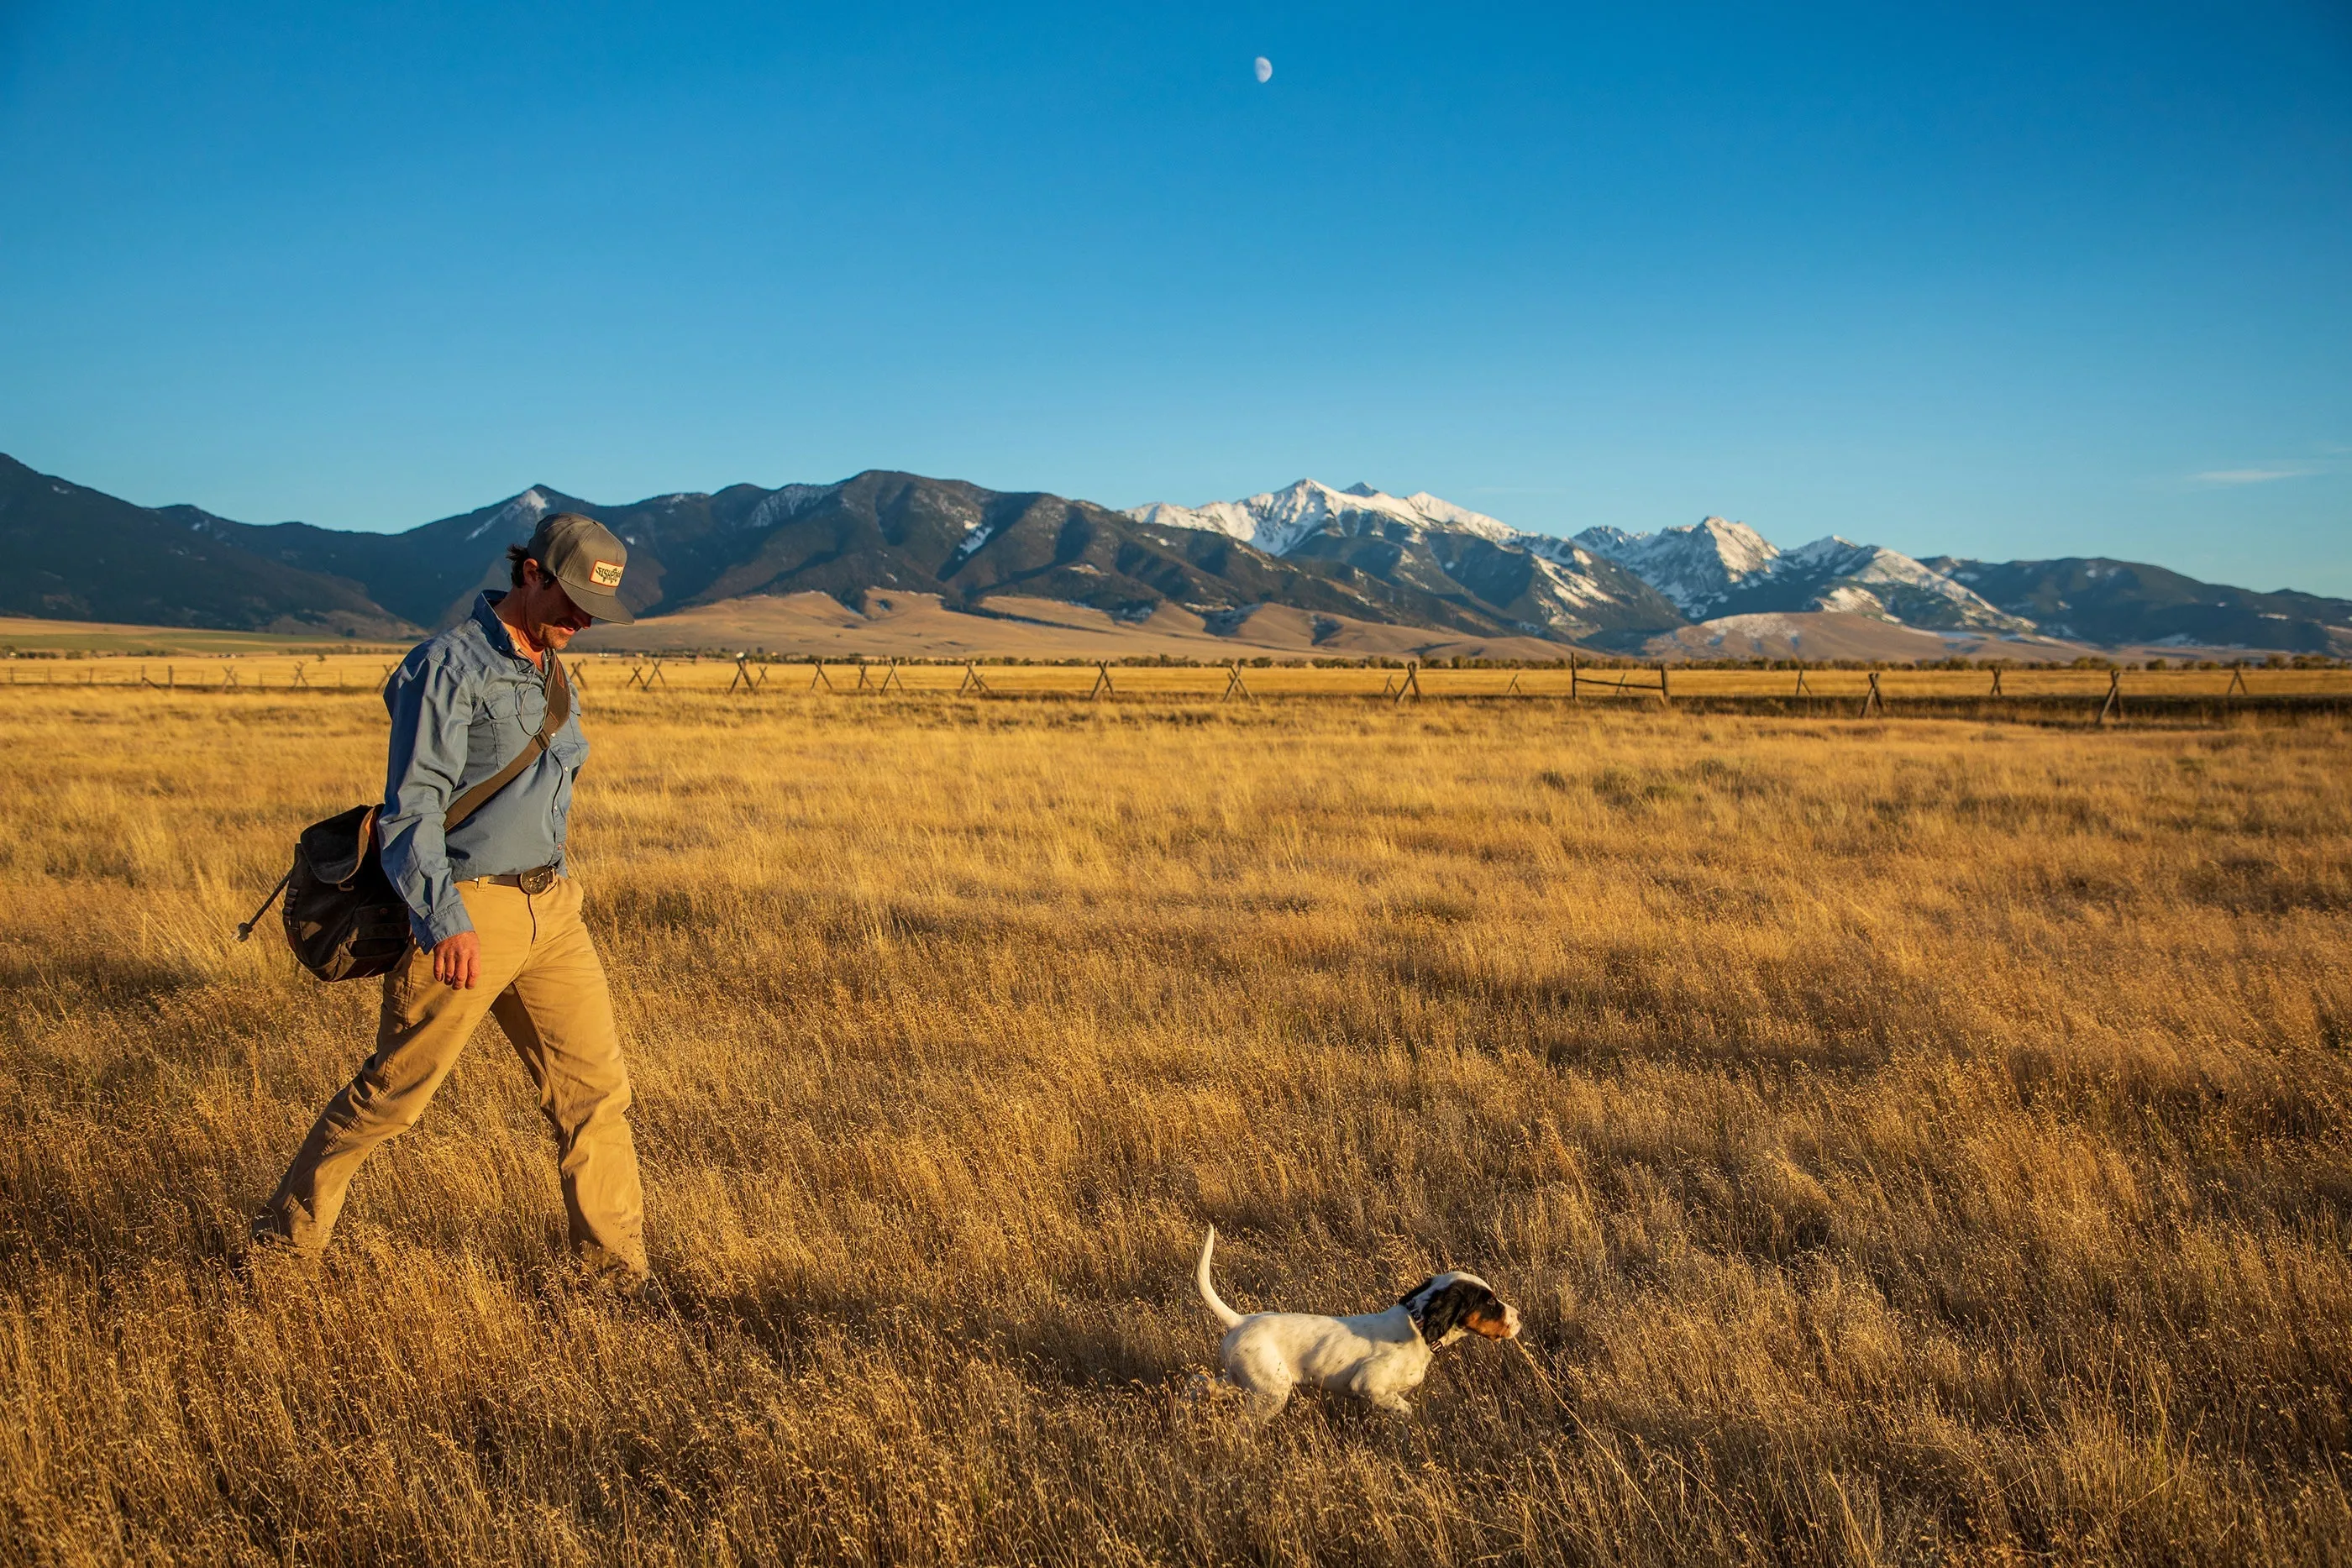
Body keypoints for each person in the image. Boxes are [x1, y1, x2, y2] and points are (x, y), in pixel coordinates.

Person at [253, 512, 648, 1282]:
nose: (581, 621)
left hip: (553, 911)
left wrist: (555, 894)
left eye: (594, 611)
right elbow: (413, 808)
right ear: (529, 573)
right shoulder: (448, 666)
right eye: (570, 601)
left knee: (598, 1094)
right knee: (392, 1096)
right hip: (471, 911)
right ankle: (279, 1248)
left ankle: (615, 1277)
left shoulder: (550, 665)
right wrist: (444, 919)